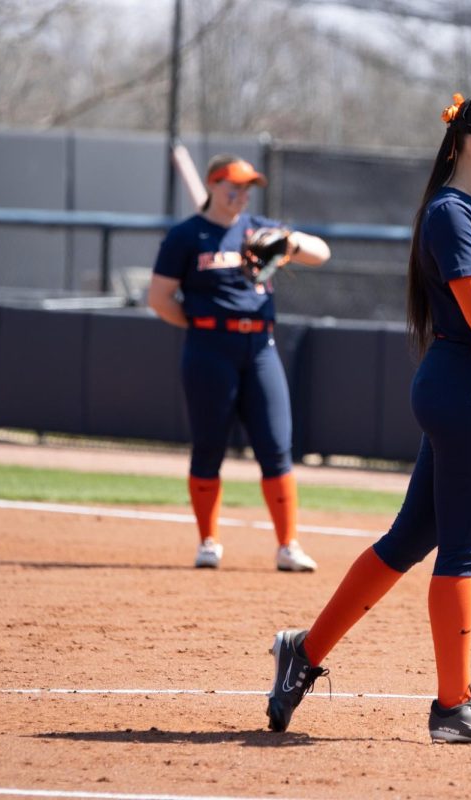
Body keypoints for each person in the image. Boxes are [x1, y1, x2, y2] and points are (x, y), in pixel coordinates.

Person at [264, 93, 471, 745]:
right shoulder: (450, 213)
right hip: (469, 390)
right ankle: (453, 707)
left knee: (409, 539)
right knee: (462, 551)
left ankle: (304, 650)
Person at [147, 155, 331, 571]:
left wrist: (288, 243)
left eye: (247, 187)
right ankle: (208, 542)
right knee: (209, 446)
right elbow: (159, 298)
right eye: (234, 186)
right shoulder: (186, 236)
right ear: (213, 184)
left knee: (277, 446)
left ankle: (288, 546)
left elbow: (322, 253)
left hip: (260, 347)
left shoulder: (258, 228)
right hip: (209, 348)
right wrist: (202, 324)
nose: (242, 194)